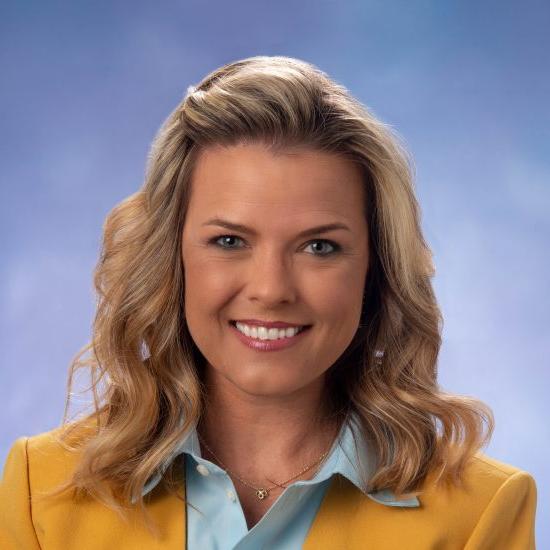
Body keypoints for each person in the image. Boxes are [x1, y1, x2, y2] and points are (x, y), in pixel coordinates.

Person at [0, 55, 537, 549]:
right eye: (230, 241)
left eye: (319, 246)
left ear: (377, 270)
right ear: (171, 256)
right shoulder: (40, 489)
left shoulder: (480, 514)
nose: (271, 288)